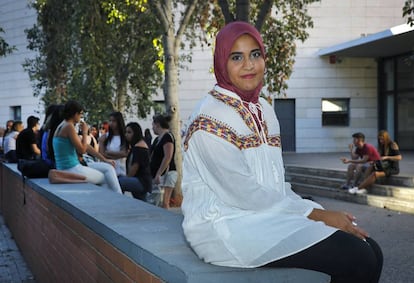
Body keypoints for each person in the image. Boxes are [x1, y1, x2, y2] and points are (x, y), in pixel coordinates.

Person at [181, 21, 382, 283]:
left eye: (255, 54)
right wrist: (319, 215)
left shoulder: (264, 108)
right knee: (358, 257)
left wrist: (310, 209)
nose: (249, 65)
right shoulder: (209, 116)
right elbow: (244, 194)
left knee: (371, 248)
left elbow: (275, 184)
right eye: (236, 57)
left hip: (265, 216)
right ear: (221, 63)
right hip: (229, 226)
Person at [53, 100, 122, 193]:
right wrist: (85, 132)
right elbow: (82, 150)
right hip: (71, 168)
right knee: (106, 178)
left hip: (70, 167)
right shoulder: (69, 127)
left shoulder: (61, 125)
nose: (81, 117)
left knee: (108, 168)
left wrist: (105, 159)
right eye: (80, 114)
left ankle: (118, 197)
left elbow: (87, 146)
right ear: (75, 114)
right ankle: (118, 199)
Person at [348, 130, 402, 195]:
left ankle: (359, 188)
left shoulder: (393, 144)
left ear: (386, 138)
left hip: (392, 168)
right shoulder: (381, 146)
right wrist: (374, 161)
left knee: (375, 174)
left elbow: (399, 157)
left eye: (382, 139)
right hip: (383, 166)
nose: (381, 141)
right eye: (379, 139)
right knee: (370, 167)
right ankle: (362, 187)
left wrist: (387, 157)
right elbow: (379, 157)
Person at [118, 122, 152, 201]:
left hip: (141, 181)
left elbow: (135, 166)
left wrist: (127, 178)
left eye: (129, 132)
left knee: (118, 182)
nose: (126, 135)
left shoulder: (139, 147)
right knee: (143, 204)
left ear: (136, 133)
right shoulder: (138, 146)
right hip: (142, 181)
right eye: (126, 132)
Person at [150, 114, 177, 209]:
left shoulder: (167, 137)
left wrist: (159, 173)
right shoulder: (157, 139)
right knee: (157, 201)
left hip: (167, 173)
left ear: (157, 124)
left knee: (164, 202)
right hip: (159, 174)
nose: (152, 128)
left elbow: (168, 156)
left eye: (153, 125)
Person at [99, 112, 128, 177]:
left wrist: (109, 153)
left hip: (121, 170)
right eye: (110, 121)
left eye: (114, 121)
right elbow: (102, 154)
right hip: (108, 169)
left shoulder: (124, 137)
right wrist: (118, 155)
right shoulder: (104, 137)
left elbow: (125, 153)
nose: (111, 123)